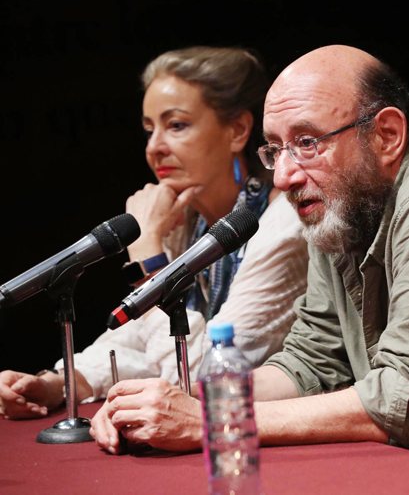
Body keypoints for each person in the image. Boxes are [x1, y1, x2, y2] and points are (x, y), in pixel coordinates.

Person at [91, 45, 409, 490]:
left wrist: (210, 421)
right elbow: (309, 362)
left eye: (306, 142)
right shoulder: (342, 206)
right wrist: (176, 406)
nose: (284, 176)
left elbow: (407, 395)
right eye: (275, 150)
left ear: (387, 135)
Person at [0, 47, 308, 420]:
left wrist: (146, 247)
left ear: (238, 130)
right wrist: (60, 383)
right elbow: (134, 338)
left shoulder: (284, 226)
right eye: (149, 130)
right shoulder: (187, 221)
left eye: (176, 125)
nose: (153, 148)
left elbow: (200, 375)